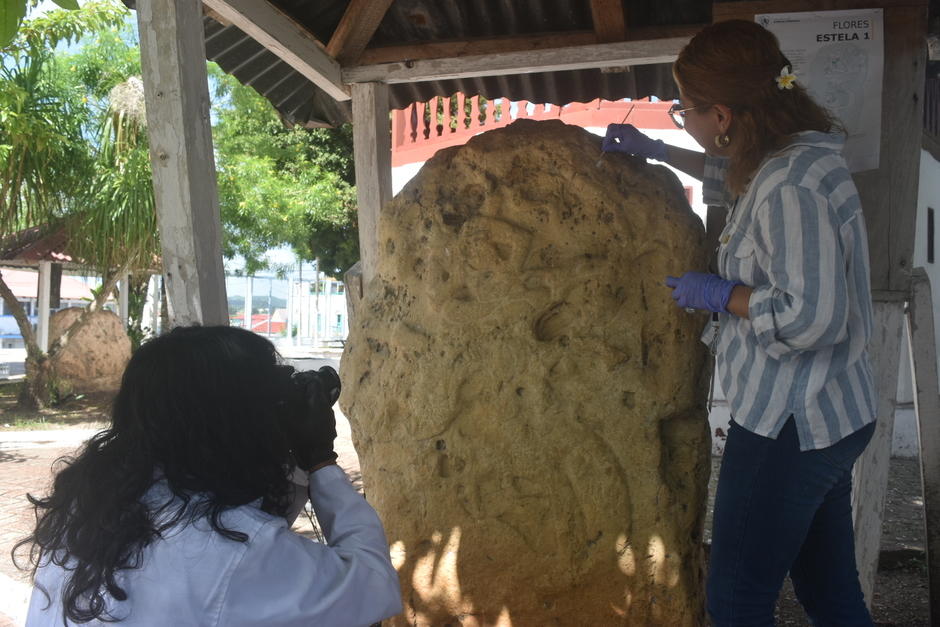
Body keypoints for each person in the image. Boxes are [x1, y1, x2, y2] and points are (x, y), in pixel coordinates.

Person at [602, 20, 877, 626]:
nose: (684, 121)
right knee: (829, 591)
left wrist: (724, 295)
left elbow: (814, 317)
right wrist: (658, 152)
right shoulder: (793, 157)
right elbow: (739, 185)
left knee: (735, 599)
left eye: (684, 111)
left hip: (791, 420)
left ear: (721, 115)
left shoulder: (790, 185)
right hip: (830, 412)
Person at [15, 325, 403, 626]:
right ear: (241, 422)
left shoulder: (93, 506)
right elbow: (370, 584)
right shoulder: (237, 550)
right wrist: (319, 459)